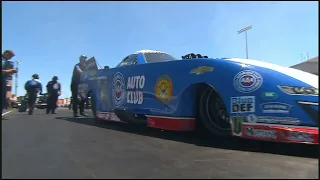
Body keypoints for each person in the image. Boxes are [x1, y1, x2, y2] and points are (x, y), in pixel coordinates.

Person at [2, 50, 18, 120]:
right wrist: (11, 71)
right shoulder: (2, 60)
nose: (10, 58)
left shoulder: (5, 61)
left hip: (3, 81)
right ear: (6, 53)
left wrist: (11, 72)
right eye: (10, 56)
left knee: (3, 99)